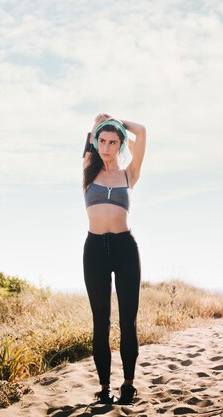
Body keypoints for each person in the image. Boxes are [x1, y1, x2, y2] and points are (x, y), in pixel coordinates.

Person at [82, 113, 146, 405]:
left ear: (120, 145)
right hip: (95, 250)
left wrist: (119, 121)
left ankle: (128, 385)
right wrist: (95, 127)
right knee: (100, 321)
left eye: (113, 142)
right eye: (102, 141)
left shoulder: (128, 174)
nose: (106, 147)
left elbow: (142, 132)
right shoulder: (88, 171)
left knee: (127, 321)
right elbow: (89, 142)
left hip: (125, 249)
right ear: (96, 143)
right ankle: (105, 387)